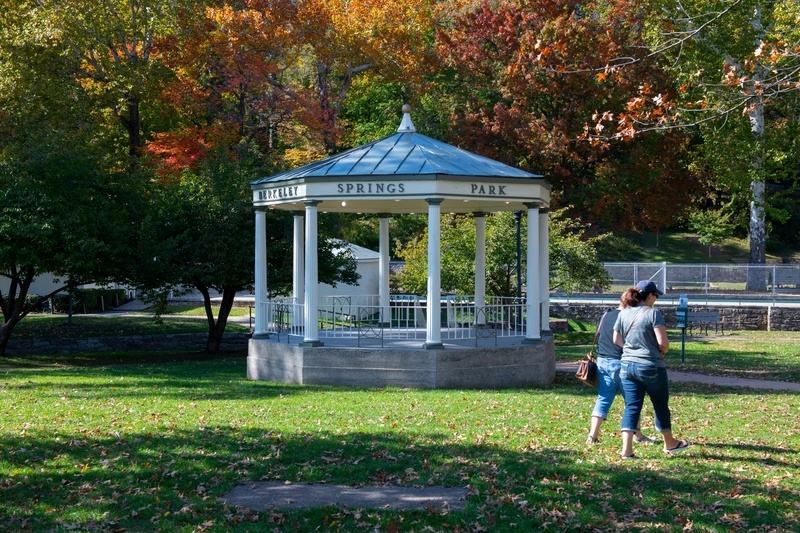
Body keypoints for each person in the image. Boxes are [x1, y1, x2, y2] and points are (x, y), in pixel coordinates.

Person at [613, 280, 691, 459]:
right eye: (655, 295)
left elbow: (615, 339)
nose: (655, 299)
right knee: (660, 405)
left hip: (626, 366)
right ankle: (670, 443)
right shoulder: (653, 313)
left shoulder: (623, 313)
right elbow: (663, 343)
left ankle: (626, 451)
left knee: (631, 407)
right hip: (650, 366)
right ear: (649, 296)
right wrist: (660, 351)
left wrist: (630, 350)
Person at [586, 295, 655, 446]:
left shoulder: (605, 315)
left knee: (603, 398)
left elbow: (599, 336)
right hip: (621, 362)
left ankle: (592, 435)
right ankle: (637, 435)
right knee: (632, 400)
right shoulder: (628, 317)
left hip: (603, 361)